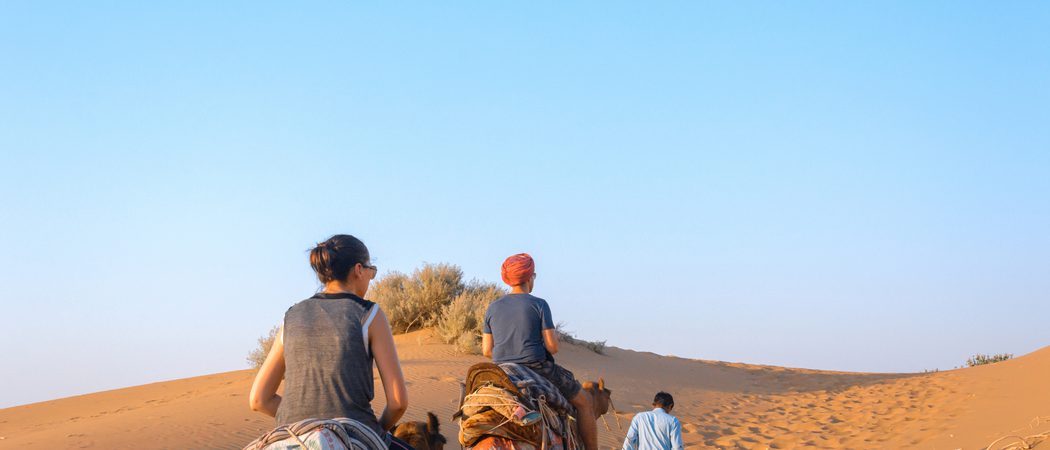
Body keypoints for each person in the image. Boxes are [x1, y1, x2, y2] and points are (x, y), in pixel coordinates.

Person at [249, 234, 410, 448]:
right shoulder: (369, 314)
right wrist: (375, 432)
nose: (371, 278)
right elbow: (398, 402)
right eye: (372, 272)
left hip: (290, 436)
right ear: (359, 270)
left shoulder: (291, 316)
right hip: (353, 433)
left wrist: (308, 423)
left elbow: (259, 399)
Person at [481, 253, 598, 450]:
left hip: (501, 371)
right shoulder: (539, 304)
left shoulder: (492, 308)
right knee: (585, 402)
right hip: (537, 368)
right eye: (533, 275)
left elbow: (486, 351)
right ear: (529, 278)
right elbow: (553, 347)